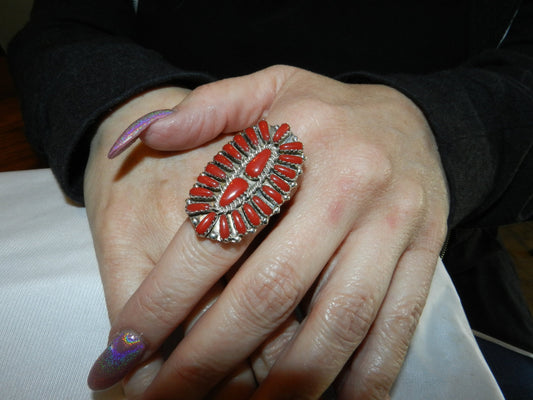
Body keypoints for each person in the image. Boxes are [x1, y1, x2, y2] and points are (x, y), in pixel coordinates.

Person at [7, 0, 533, 399]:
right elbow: (58, 29)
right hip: (157, 191)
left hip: (450, 246)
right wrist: (127, 103)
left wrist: (441, 126)